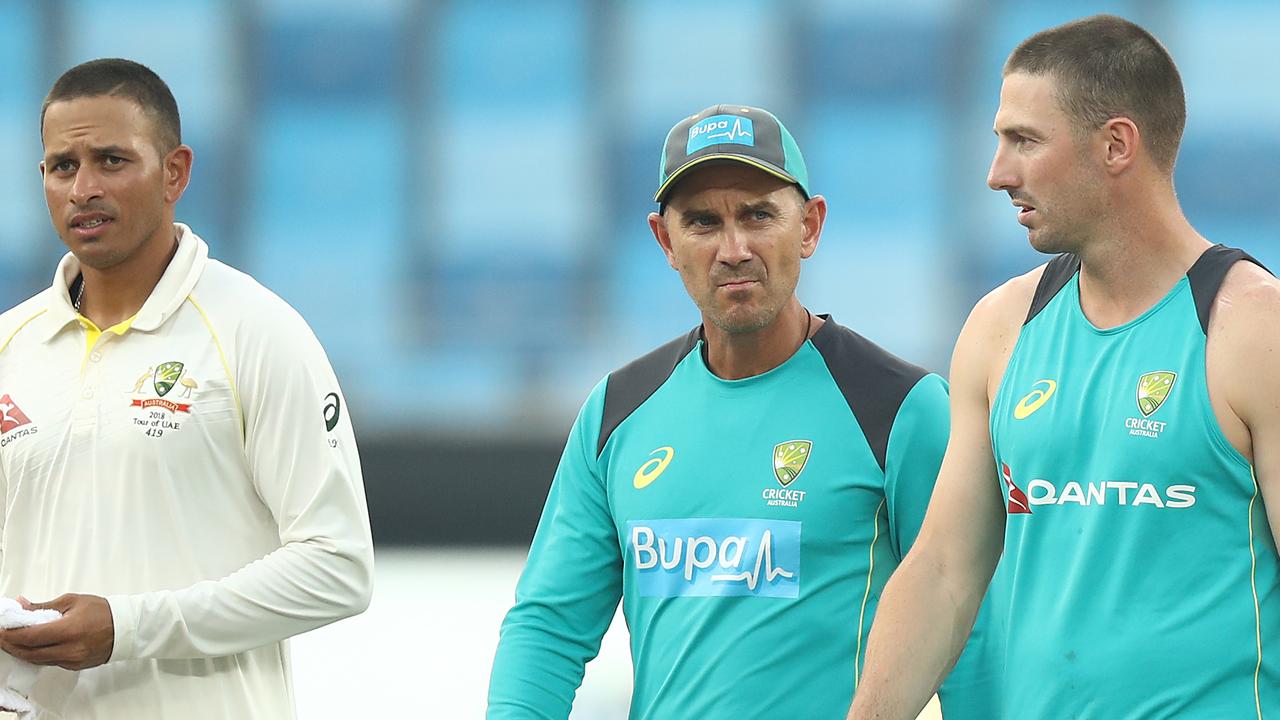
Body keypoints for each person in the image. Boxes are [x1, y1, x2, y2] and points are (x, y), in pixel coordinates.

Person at [488, 104, 996, 718]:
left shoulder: (901, 409)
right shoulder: (617, 412)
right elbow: (548, 626)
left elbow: (971, 632)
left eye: (758, 215)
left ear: (809, 226)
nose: (733, 248)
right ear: (665, 241)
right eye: (702, 222)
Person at [848, 14, 1280, 719]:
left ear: (1115, 145)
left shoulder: (1255, 329)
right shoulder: (1000, 328)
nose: (997, 174)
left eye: (1024, 140)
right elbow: (944, 575)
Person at [0, 58, 374, 718]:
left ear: (175, 172)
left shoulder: (257, 332)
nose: (83, 187)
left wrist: (128, 628)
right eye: (63, 166)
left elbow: (337, 569)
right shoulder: (11, 346)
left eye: (111, 160)